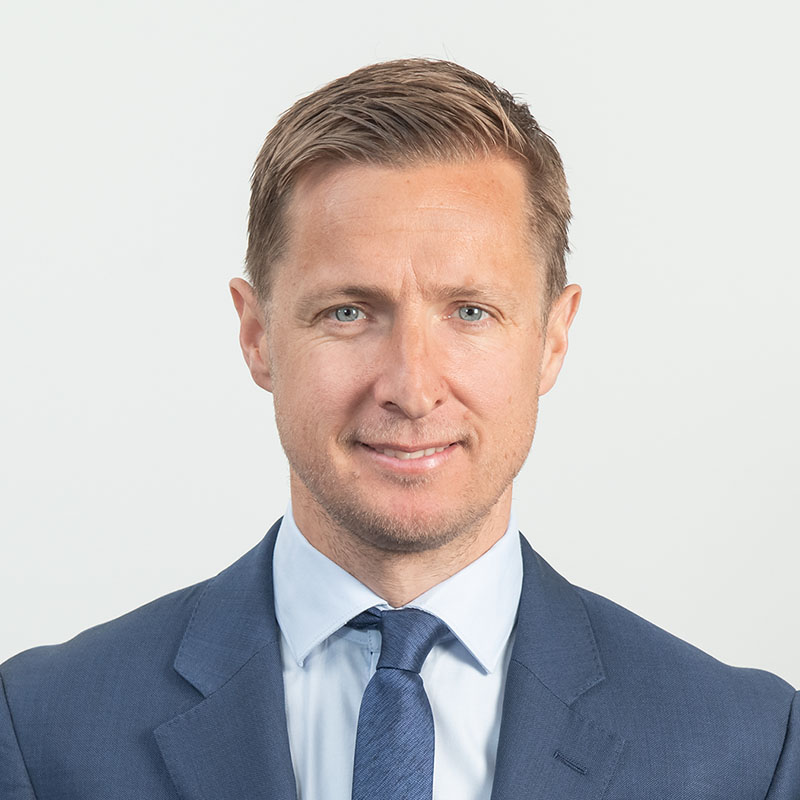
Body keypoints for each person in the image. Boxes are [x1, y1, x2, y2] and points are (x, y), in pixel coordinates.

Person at [0, 58, 797, 800]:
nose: (413, 389)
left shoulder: (747, 750)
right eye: (348, 311)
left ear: (553, 339)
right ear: (257, 335)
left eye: (471, 312)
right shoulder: (41, 731)